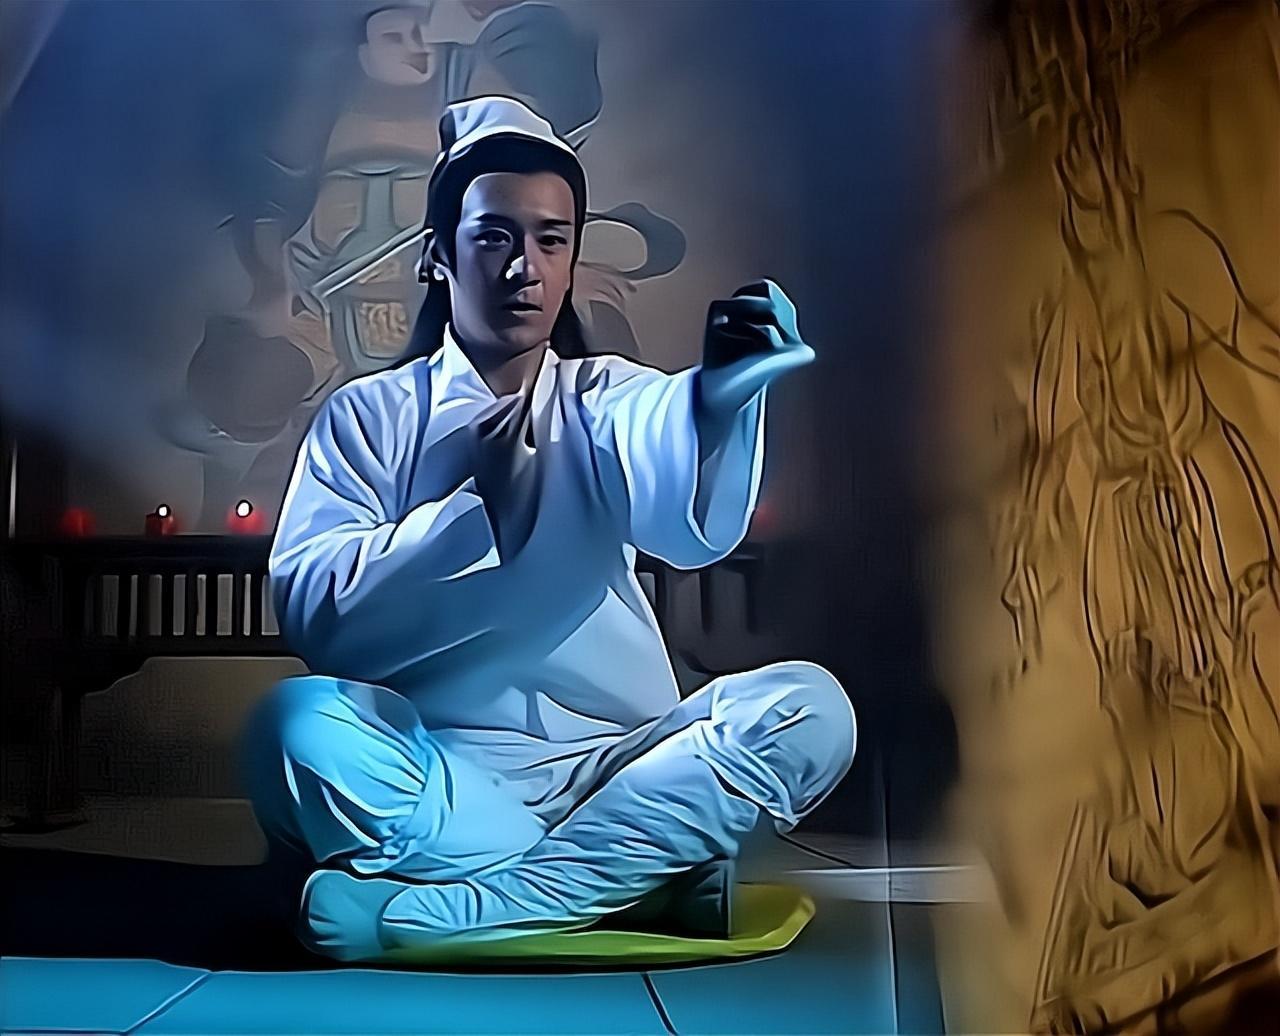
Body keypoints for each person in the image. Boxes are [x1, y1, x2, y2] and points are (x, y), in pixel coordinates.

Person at [241, 95, 856, 961]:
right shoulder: (369, 416)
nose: (524, 268)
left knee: (811, 710)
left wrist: (717, 401)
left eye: (551, 240)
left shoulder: (604, 396)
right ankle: (637, 871)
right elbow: (317, 611)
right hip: (448, 780)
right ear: (437, 254)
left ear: (571, 260)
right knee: (294, 727)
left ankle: (445, 911)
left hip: (623, 765)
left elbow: (680, 502)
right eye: (495, 236)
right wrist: (472, 516)